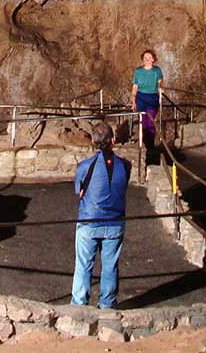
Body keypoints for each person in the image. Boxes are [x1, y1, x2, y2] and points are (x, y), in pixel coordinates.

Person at [71, 120, 131, 308]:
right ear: (113, 140)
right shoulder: (126, 165)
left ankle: (79, 305)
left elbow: (79, 192)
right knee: (110, 266)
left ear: (93, 141)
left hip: (89, 221)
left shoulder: (84, 166)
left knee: (83, 266)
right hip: (115, 222)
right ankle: (107, 304)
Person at [131, 50, 163, 145]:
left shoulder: (157, 70)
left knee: (151, 120)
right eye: (145, 58)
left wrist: (160, 88)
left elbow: (160, 81)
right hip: (140, 97)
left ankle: (150, 142)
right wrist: (133, 101)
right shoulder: (138, 71)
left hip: (152, 97)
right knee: (143, 121)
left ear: (153, 59)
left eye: (149, 58)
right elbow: (135, 87)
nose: (147, 60)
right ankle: (145, 142)